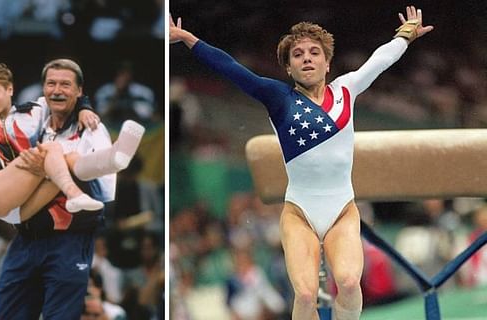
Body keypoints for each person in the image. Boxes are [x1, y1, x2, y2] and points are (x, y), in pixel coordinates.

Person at [170, 6, 433, 319]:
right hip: (300, 213)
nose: (307, 58)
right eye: (297, 54)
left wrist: (405, 36)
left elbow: (380, 60)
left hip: (342, 210)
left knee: (349, 283)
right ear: (288, 67)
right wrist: (188, 39)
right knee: (306, 295)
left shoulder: (346, 89)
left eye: (313, 52)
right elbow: (231, 69)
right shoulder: (277, 96)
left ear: (327, 62)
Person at [0, 18, 145, 225]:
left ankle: (113, 160)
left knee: (68, 157)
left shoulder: (34, 112)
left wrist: (84, 108)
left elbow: (63, 97)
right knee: (52, 149)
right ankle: (75, 193)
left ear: (10, 89)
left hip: (27, 201)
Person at [0, 57, 142, 318]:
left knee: (67, 159)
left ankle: (111, 159)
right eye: (51, 84)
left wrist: (49, 173)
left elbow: (104, 194)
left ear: (79, 91)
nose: (57, 90)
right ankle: (88, 165)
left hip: (69, 240)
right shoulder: (33, 114)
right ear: (43, 89)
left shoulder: (92, 128)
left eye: (65, 85)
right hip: (25, 237)